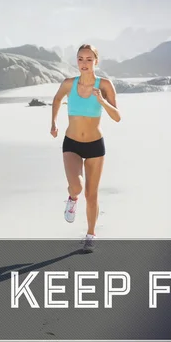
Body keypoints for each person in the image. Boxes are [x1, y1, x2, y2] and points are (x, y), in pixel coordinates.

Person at [50, 44, 121, 251]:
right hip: (71, 143)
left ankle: (91, 234)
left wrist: (102, 101)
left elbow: (117, 116)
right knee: (77, 187)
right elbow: (56, 99)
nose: (84, 63)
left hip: (95, 146)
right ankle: (72, 198)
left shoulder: (105, 85)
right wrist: (53, 122)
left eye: (89, 59)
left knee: (92, 194)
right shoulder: (68, 84)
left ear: (96, 61)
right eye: (80, 59)